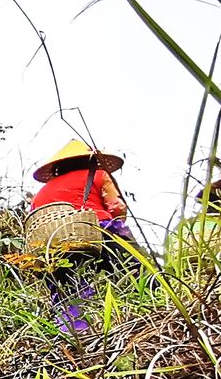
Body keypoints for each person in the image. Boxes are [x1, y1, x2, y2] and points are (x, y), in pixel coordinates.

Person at [29, 138, 139, 333]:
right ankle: (136, 314)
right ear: (89, 160)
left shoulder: (40, 194)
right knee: (133, 271)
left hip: (55, 244)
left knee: (67, 288)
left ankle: (74, 332)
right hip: (99, 232)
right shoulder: (98, 175)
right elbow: (117, 207)